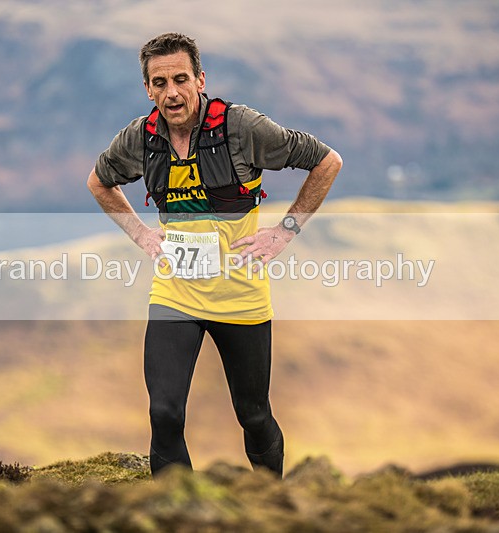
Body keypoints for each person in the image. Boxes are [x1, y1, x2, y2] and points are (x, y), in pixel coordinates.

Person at [87, 32, 342, 477]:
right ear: (148, 89)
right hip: (175, 294)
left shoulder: (241, 128)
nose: (171, 92)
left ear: (200, 80)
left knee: (254, 416)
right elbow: (99, 181)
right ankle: (181, 506)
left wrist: (284, 231)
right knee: (164, 413)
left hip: (240, 296)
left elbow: (326, 161)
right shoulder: (141, 139)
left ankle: (269, 501)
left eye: (180, 79)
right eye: (160, 83)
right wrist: (142, 236)